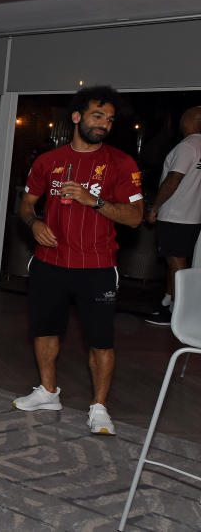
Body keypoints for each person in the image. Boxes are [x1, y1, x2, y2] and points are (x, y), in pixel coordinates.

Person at [13, 86, 143, 436]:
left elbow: (135, 217)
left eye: (110, 119)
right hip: (49, 261)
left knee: (101, 340)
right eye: (97, 116)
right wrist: (34, 222)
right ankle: (48, 392)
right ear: (76, 117)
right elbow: (26, 204)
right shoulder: (47, 161)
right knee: (44, 330)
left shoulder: (121, 163)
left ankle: (99, 408)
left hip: (97, 265)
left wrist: (93, 201)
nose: (104, 124)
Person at [145, 106, 201, 325]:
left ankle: (180, 311)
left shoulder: (187, 147)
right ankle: (167, 302)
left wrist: (155, 207)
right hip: (193, 216)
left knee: (177, 263)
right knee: (175, 261)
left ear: (190, 121)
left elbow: (173, 179)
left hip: (176, 214)